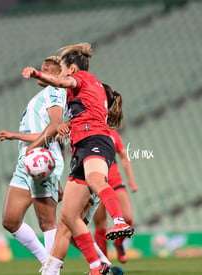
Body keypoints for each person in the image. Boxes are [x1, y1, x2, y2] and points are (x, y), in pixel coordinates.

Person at [22, 43, 133, 275]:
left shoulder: (81, 78)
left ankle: (120, 220)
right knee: (68, 217)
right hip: (82, 146)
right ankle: (96, 265)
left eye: (62, 69)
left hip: (95, 141)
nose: (60, 74)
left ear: (72, 69)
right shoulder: (93, 87)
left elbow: (62, 82)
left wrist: (37, 73)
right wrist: (67, 124)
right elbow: (86, 111)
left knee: (95, 179)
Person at [40, 84, 129, 275]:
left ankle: (95, 264)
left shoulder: (94, 124)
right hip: (86, 175)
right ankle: (101, 264)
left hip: (90, 178)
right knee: (70, 228)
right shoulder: (89, 121)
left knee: (67, 225)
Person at [0, 56, 66, 270]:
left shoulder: (55, 91)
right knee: (10, 221)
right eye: (40, 68)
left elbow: (55, 127)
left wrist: (26, 142)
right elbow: (51, 134)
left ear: (56, 75)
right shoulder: (43, 95)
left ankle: (51, 270)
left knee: (46, 223)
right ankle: (47, 260)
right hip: (28, 161)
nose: (40, 71)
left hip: (41, 161)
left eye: (45, 69)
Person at [93, 126, 138, 264]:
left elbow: (124, 156)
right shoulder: (86, 132)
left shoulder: (112, 134)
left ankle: (118, 243)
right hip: (97, 182)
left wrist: (131, 180)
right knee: (100, 226)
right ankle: (104, 263)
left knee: (128, 218)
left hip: (115, 181)